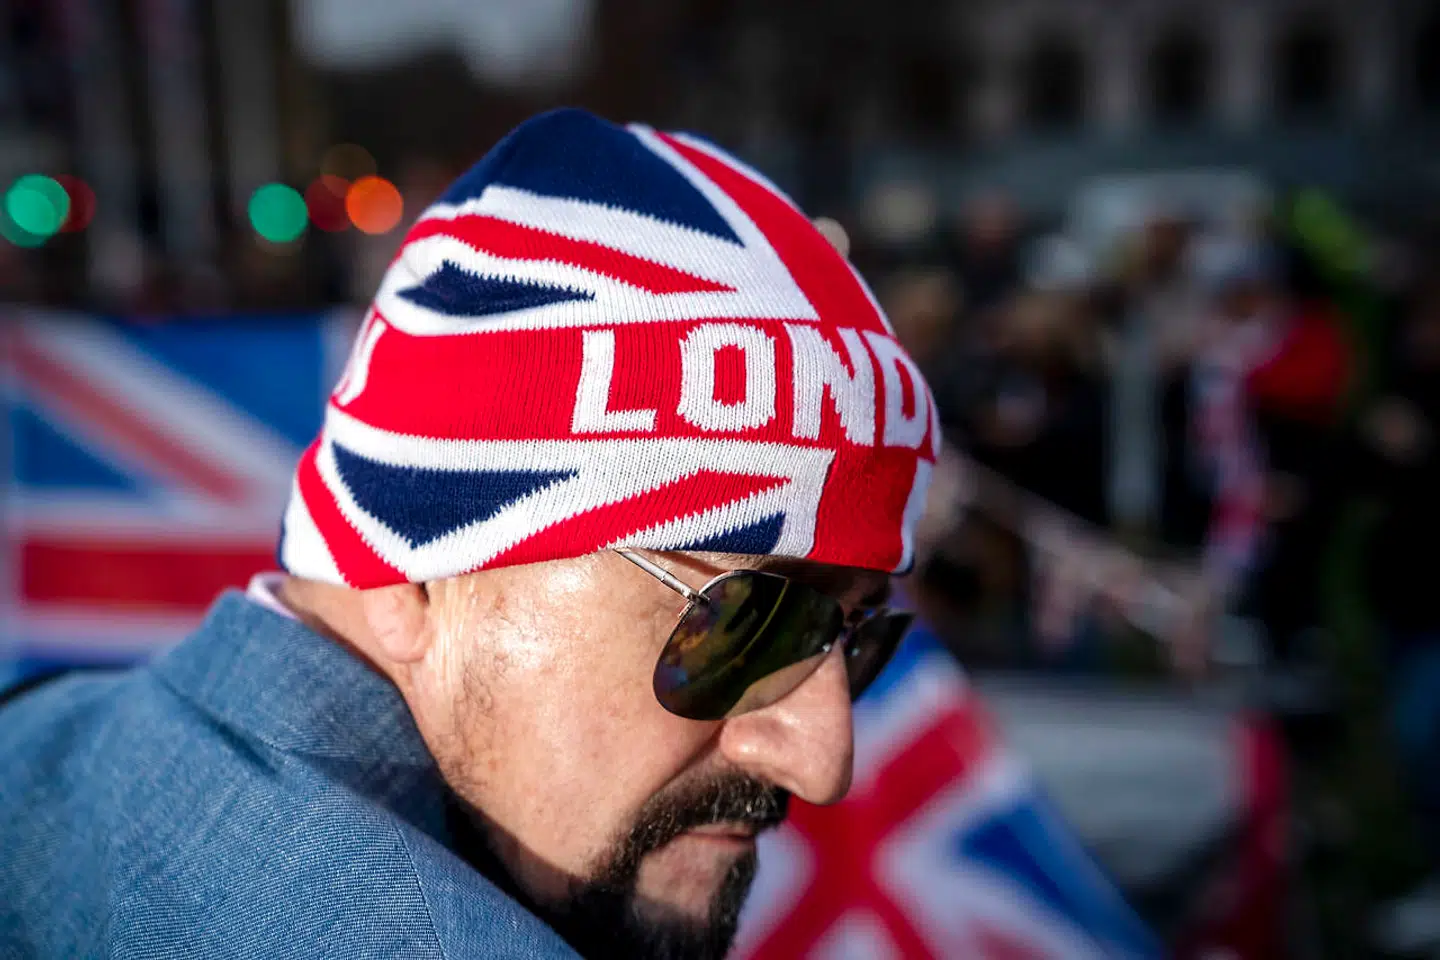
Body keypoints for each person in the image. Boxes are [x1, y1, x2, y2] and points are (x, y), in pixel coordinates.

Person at [0, 109, 937, 960]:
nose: (823, 761)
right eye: (744, 621)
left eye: (856, 638)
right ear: (407, 569)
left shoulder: (39, 750)